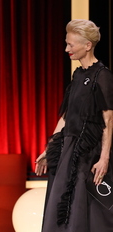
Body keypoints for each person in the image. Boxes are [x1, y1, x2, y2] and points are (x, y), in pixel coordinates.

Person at [35, 19, 113, 231]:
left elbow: (108, 120)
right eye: (67, 43)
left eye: (71, 44)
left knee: (83, 206)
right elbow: (66, 116)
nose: (66, 49)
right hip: (67, 149)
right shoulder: (78, 75)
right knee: (61, 202)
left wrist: (104, 157)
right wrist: (49, 147)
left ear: (87, 45)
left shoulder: (102, 76)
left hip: (88, 153)